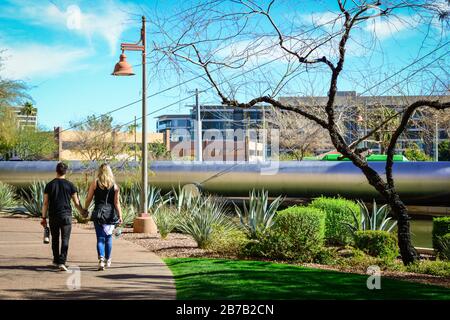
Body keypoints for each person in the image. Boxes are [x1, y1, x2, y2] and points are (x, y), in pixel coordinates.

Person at [41, 162, 85, 272]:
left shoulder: (50, 185)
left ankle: (56, 260)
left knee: (55, 239)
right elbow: (76, 203)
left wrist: (43, 217)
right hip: (66, 216)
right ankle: (62, 261)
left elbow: (45, 203)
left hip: (54, 215)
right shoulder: (70, 185)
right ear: (66, 172)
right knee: (65, 239)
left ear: (56, 171)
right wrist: (82, 212)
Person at [84, 163, 122, 271]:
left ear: (100, 172)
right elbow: (116, 203)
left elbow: (89, 198)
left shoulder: (95, 183)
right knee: (108, 238)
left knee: (100, 238)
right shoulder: (115, 186)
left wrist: (85, 209)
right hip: (110, 214)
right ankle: (108, 259)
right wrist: (120, 215)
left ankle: (101, 259)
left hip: (99, 213)